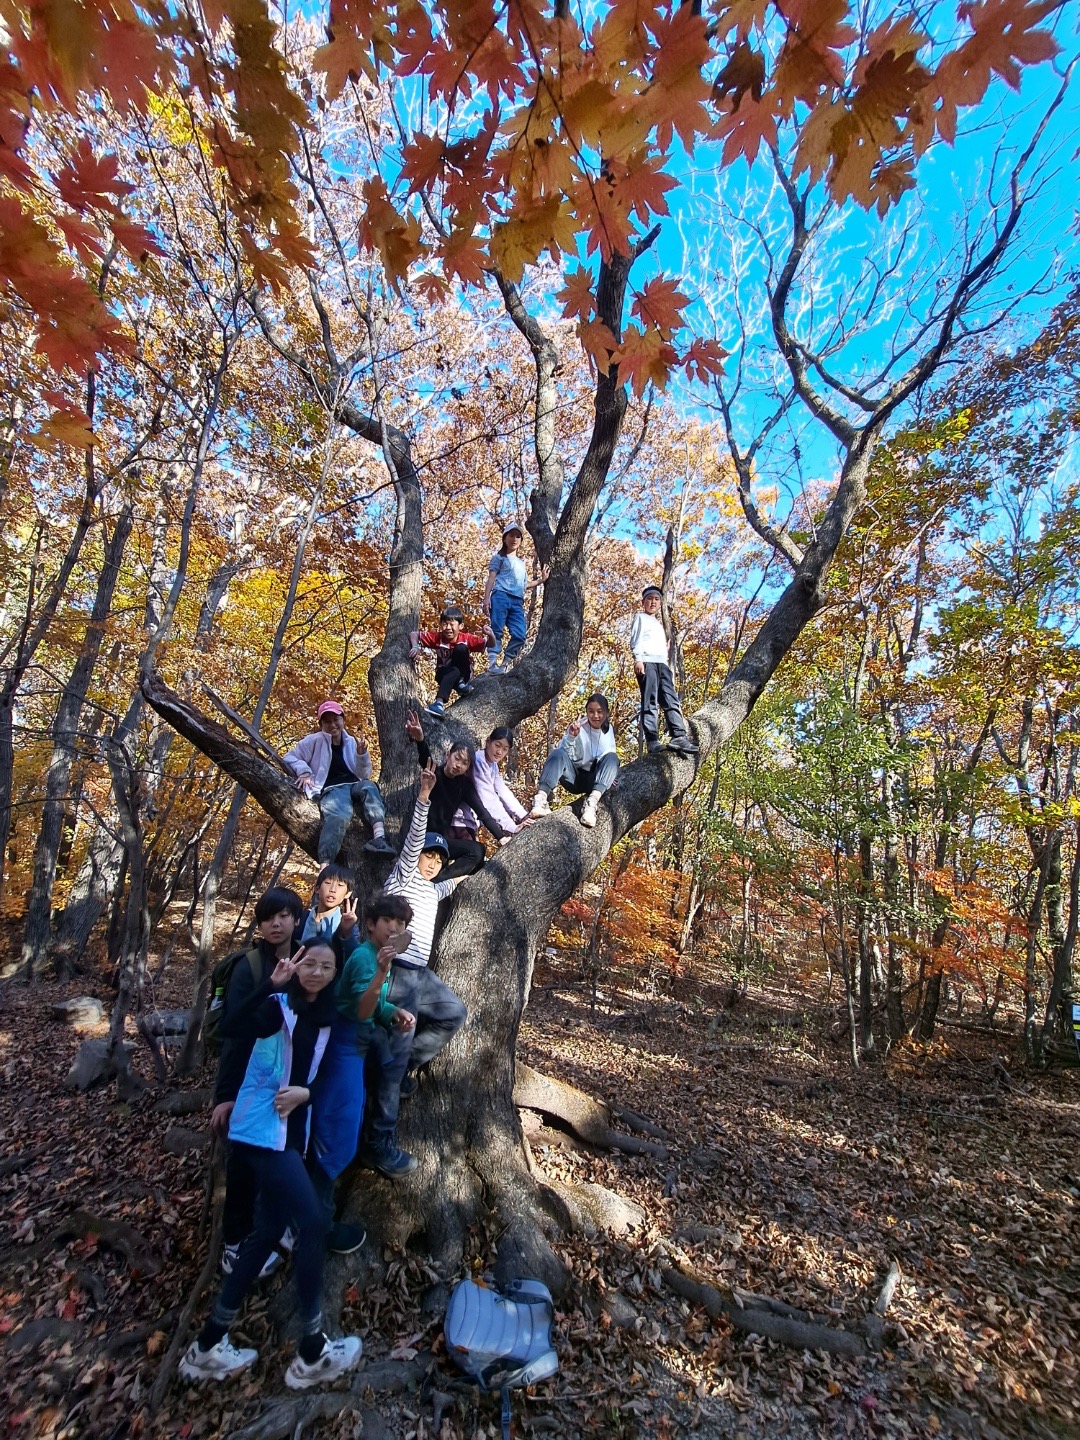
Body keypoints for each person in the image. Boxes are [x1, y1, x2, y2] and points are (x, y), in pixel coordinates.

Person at [181, 943, 363, 1389]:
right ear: (296, 965)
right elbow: (231, 1027)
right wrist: (270, 983)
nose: (316, 972)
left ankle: (208, 1343)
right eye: (309, 963)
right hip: (261, 1131)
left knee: (266, 1233)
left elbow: (326, 1072)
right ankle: (313, 1349)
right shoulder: (278, 1006)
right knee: (313, 1223)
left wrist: (307, 1094)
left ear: (334, 973)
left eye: (326, 966)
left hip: (291, 1135)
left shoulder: (331, 1016)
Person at [362, 759, 467, 1177]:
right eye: (429, 855)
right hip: (398, 973)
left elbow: (462, 873)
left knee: (453, 1013)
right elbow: (411, 842)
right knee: (392, 1058)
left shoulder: (434, 889)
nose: (433, 862)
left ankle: (408, 1064)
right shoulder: (404, 877)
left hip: (422, 975)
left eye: (439, 859)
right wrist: (424, 795)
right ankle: (379, 1140)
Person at [211, 886, 306, 1280]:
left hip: (291, 1080)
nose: (276, 924)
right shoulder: (249, 967)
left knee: (286, 1152)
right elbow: (232, 1032)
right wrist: (225, 1096)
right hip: (251, 1081)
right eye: (268, 918)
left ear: (297, 919)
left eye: (283, 916)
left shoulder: (309, 958)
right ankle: (235, 1245)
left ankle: (277, 1223)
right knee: (245, 1160)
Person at [307, 896, 417, 1232]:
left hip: (360, 1042)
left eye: (400, 924)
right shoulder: (365, 958)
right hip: (344, 1044)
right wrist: (381, 973)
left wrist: (393, 1011)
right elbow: (359, 1010)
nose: (394, 928)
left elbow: (375, 1004)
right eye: (388, 921)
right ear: (370, 925)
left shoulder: (379, 956)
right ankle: (316, 1224)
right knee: (338, 1126)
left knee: (351, 1115)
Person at [404, 710, 512, 877]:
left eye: (465, 763)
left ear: (468, 767)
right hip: (422, 837)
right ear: (448, 755)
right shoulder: (435, 774)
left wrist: (501, 837)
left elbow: (482, 812)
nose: (458, 765)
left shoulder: (464, 786)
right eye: (457, 758)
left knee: (477, 851)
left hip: (441, 841)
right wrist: (420, 740)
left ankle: (439, 882)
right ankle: (437, 882)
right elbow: (425, 758)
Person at [283, 701, 396, 860]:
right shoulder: (313, 741)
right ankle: (326, 863)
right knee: (339, 815)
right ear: (321, 724)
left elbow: (364, 775)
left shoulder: (351, 741)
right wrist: (304, 772)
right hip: (332, 788)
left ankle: (379, 838)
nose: (333, 725)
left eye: (336, 719)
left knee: (369, 787)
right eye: (327, 721)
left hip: (354, 784)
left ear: (343, 720)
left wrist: (362, 755)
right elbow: (290, 757)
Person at [530, 693, 619, 828]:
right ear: (586, 712)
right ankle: (540, 798)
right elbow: (562, 756)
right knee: (557, 753)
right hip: (574, 777)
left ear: (606, 712)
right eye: (591, 711)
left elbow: (608, 757)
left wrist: (609, 775)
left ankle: (591, 804)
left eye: (600, 711)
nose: (595, 716)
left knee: (613, 758)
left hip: (593, 780)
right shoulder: (579, 727)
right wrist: (571, 736)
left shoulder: (608, 730)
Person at [631, 585, 699, 755]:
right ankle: (652, 740)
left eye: (656, 599)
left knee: (670, 698)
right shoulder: (640, 618)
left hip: (662, 664)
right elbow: (636, 639)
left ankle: (679, 736)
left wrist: (665, 651)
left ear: (660, 603)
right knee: (650, 701)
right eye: (649, 599)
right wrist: (638, 659)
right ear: (643, 602)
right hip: (647, 662)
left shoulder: (658, 624)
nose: (653, 602)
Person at [483, 523, 548, 675]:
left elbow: (524, 585)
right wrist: (486, 599)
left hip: (517, 601)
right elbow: (491, 578)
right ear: (504, 538)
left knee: (520, 634)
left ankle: (505, 664)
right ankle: (492, 663)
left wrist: (541, 580)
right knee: (496, 629)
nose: (514, 539)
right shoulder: (499, 558)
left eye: (518, 536)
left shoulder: (521, 564)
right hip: (500, 595)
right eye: (511, 535)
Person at [409, 606, 495, 718]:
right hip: (443, 674)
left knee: (461, 648)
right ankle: (439, 705)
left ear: (461, 626)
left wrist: (491, 634)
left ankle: (456, 687)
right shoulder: (438, 638)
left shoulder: (466, 638)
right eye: (445, 624)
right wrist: (415, 647)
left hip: (463, 674)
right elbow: (414, 634)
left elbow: (490, 644)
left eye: (452, 624)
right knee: (452, 670)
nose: (448, 628)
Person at [472, 726, 532, 835]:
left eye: (505, 749)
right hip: (461, 819)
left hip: (472, 819)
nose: (499, 752)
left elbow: (503, 791)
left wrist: (523, 815)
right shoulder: (479, 760)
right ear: (488, 741)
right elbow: (488, 797)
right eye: (497, 745)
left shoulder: (492, 764)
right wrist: (511, 826)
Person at [300, 863, 360, 965]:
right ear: (317, 888)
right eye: (328, 883)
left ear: (348, 894)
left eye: (340, 885)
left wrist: (347, 933)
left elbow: (353, 961)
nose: (333, 889)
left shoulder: (348, 927)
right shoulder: (301, 919)